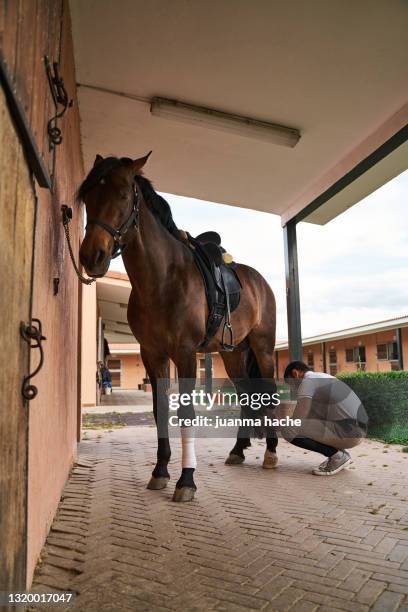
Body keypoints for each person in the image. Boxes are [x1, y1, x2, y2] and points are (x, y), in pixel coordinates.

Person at [283, 361, 367, 476]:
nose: (293, 388)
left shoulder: (307, 382)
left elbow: (300, 415)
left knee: (287, 430)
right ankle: (340, 454)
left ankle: (337, 456)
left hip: (349, 431)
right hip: (358, 429)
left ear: (295, 374)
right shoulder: (323, 377)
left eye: (291, 384)